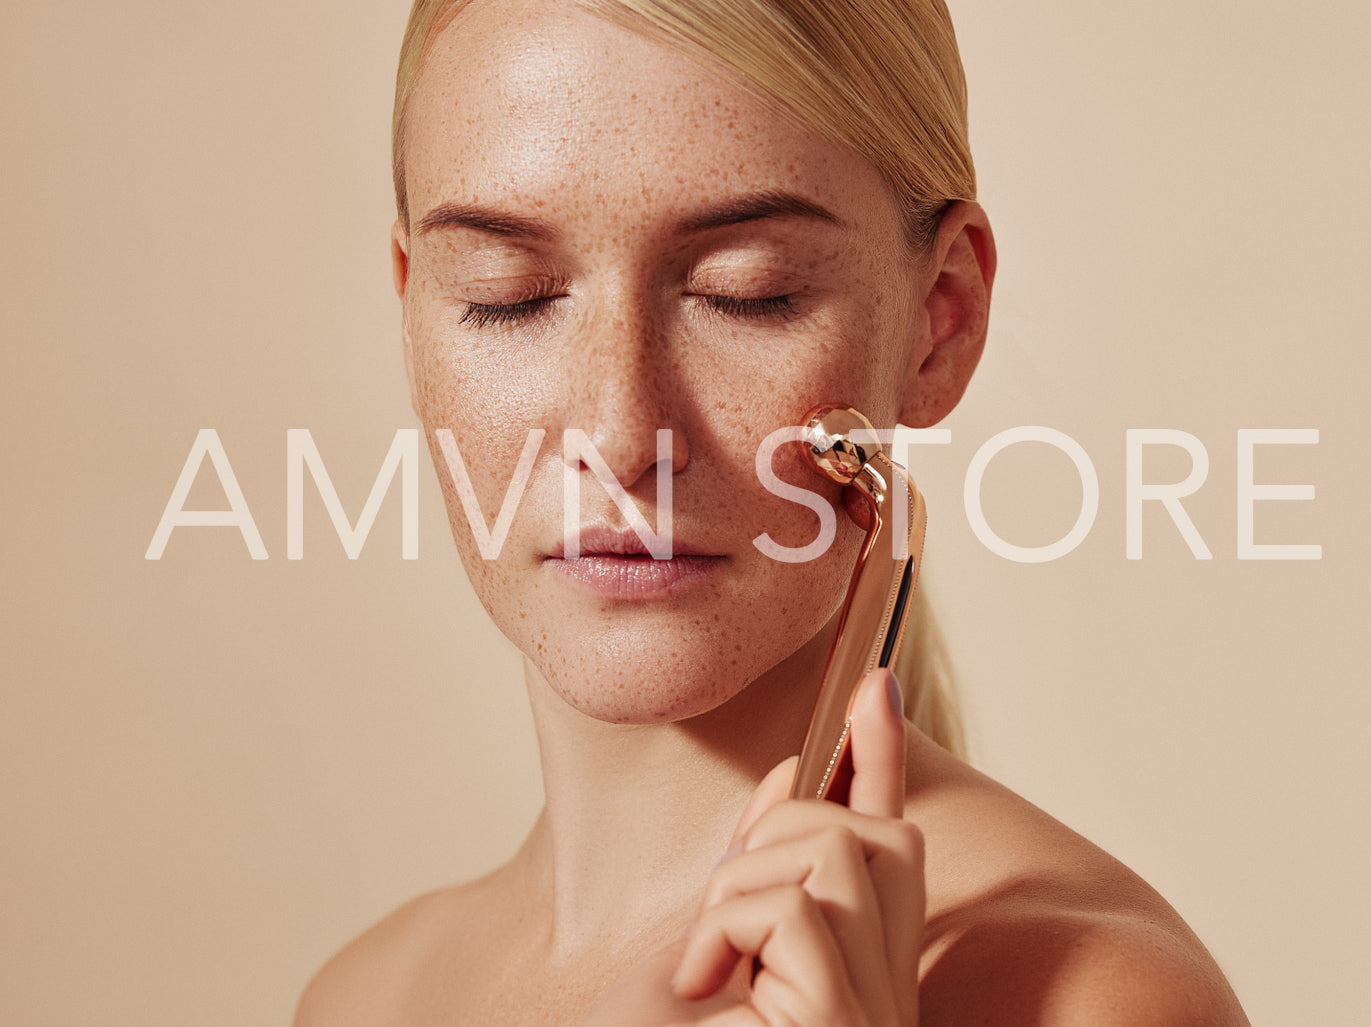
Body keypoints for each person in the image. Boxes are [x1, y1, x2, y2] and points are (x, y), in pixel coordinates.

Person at [297, 0, 1250, 1023]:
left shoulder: (1088, 997)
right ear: (411, 317)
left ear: (938, 324)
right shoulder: (367, 995)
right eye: (509, 293)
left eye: (745, 295)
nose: (623, 438)